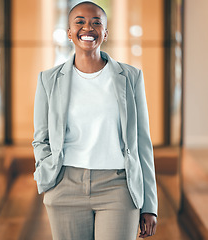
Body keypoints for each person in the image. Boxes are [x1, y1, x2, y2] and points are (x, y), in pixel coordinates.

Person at [32, 1, 158, 240]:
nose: (87, 28)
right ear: (69, 32)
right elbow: (41, 138)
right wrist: (47, 174)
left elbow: (143, 142)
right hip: (65, 184)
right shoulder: (48, 80)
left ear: (105, 32)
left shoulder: (130, 77)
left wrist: (150, 204)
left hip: (118, 187)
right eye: (79, 22)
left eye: (96, 22)